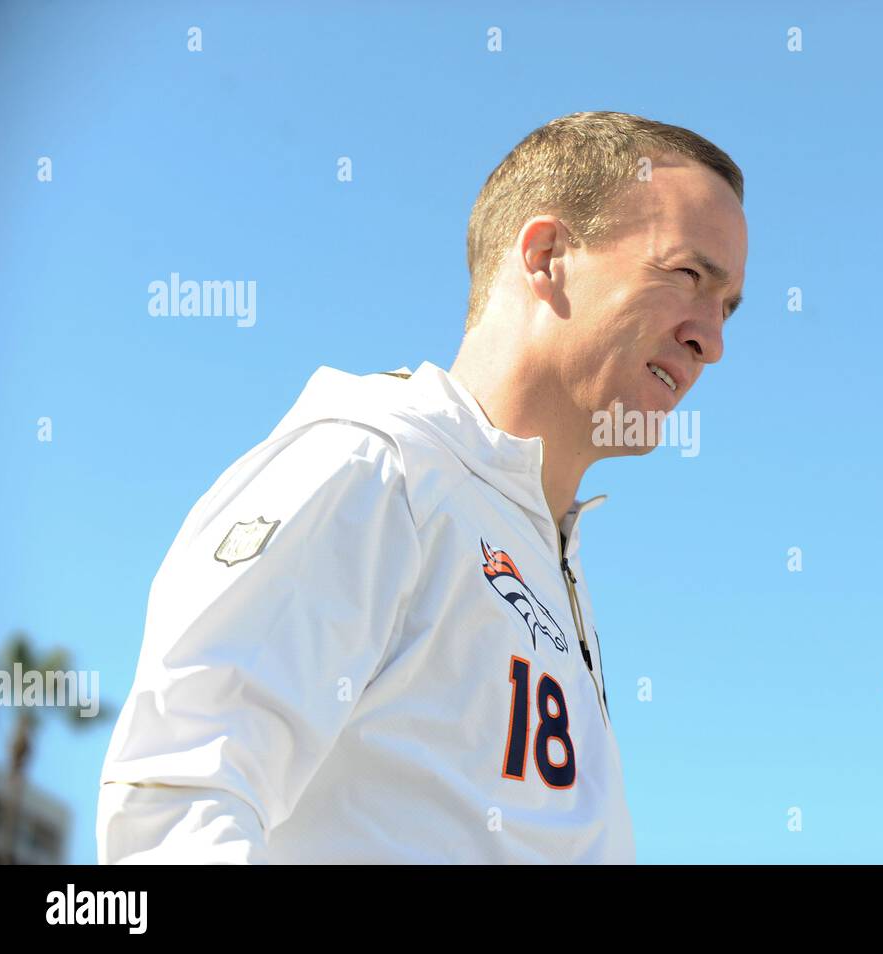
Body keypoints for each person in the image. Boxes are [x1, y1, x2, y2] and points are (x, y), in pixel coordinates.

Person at [96, 110, 747, 863]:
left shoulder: (545, 551)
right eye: (687, 276)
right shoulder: (376, 466)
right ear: (547, 255)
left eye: (726, 308)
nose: (713, 340)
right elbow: (180, 796)